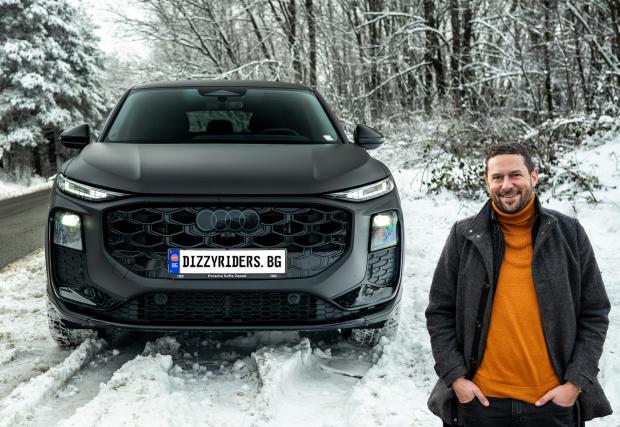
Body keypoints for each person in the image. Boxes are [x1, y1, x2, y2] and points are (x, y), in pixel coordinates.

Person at [425, 143, 612, 427]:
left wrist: (575, 383)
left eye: (515, 175)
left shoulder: (568, 234)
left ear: (533, 176)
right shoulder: (464, 237)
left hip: (551, 405)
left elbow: (595, 312)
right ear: (487, 182)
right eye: (497, 177)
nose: (506, 185)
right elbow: (440, 312)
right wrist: (456, 378)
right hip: (480, 405)